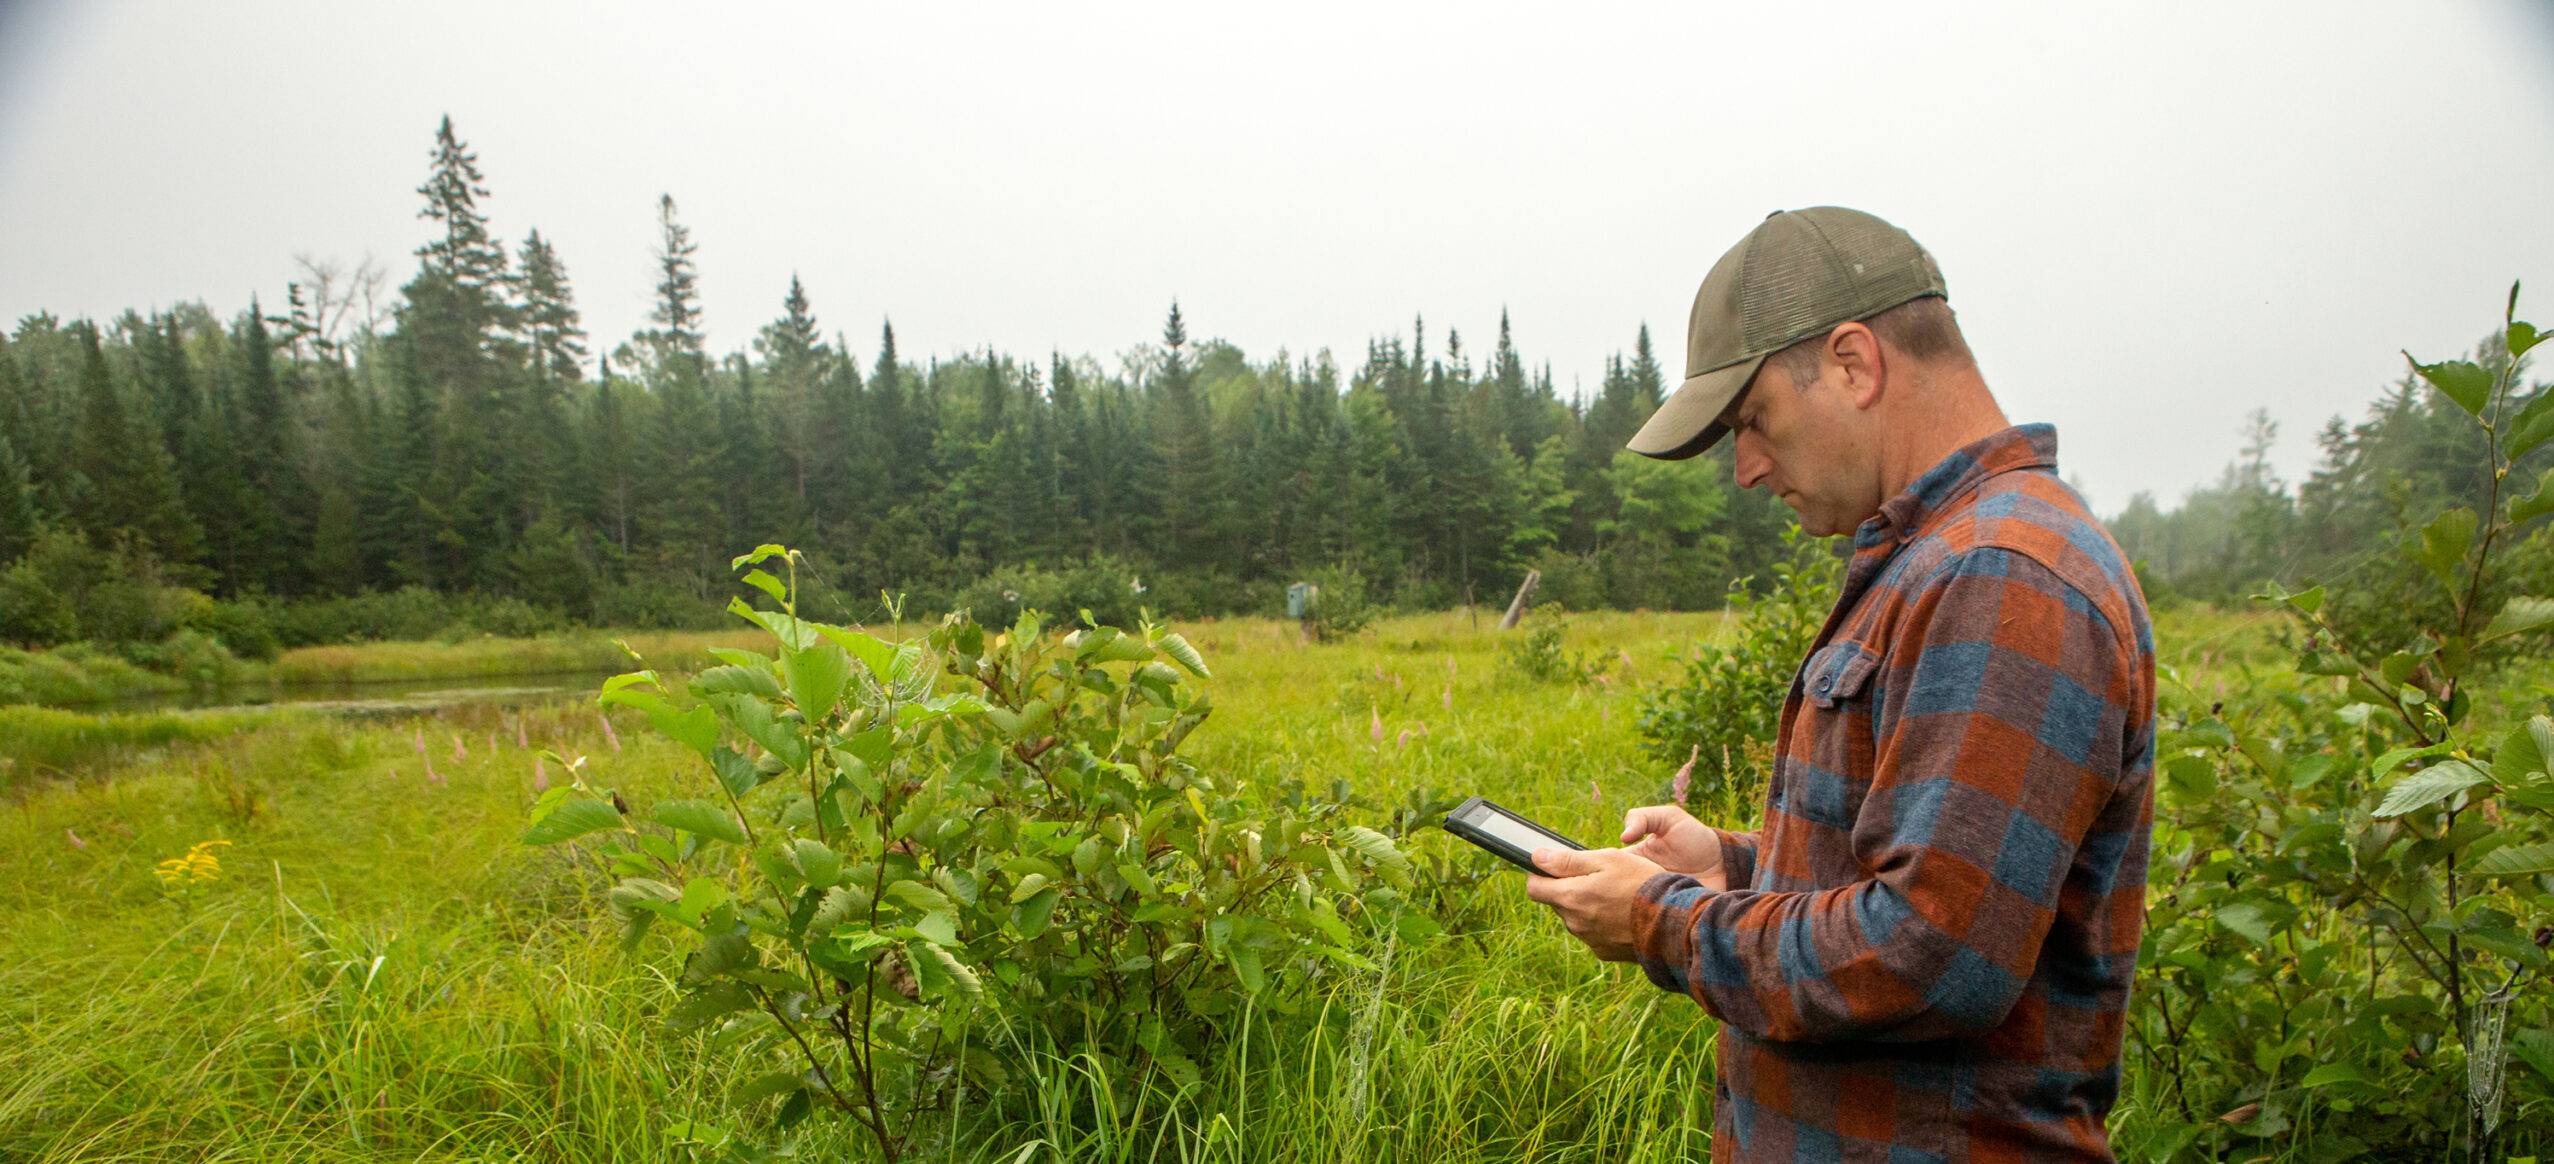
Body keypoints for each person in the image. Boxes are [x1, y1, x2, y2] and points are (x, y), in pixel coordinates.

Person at [1523, 206, 2155, 1162]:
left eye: (1753, 421)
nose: (1745, 469)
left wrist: (1664, 921)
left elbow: (1931, 957)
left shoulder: (2003, 576)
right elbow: (1927, 868)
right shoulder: (1939, 561)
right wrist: (1731, 869)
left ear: (1856, 364)